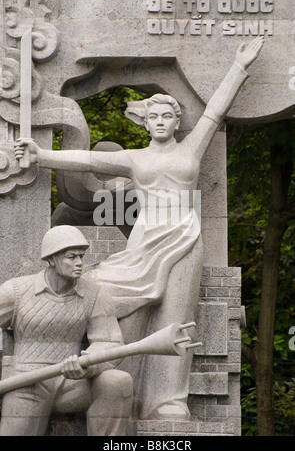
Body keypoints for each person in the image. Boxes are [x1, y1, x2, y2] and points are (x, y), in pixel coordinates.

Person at [14, 37, 264, 419]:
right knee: (112, 300)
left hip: (184, 239)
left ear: (177, 122)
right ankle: (120, 393)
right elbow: (84, 158)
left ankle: (168, 402)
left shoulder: (191, 149)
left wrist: (239, 66)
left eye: (167, 117)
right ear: (145, 122)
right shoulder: (134, 159)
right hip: (144, 245)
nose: (161, 122)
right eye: (154, 117)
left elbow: (214, 111)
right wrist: (42, 154)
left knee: (177, 317)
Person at [0, 225, 133, 436]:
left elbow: (110, 342)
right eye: (72, 257)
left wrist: (89, 363)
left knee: (117, 381)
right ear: (51, 259)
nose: (80, 263)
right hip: (27, 381)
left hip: (74, 382)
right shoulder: (16, 291)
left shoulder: (96, 294)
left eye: (81, 256)